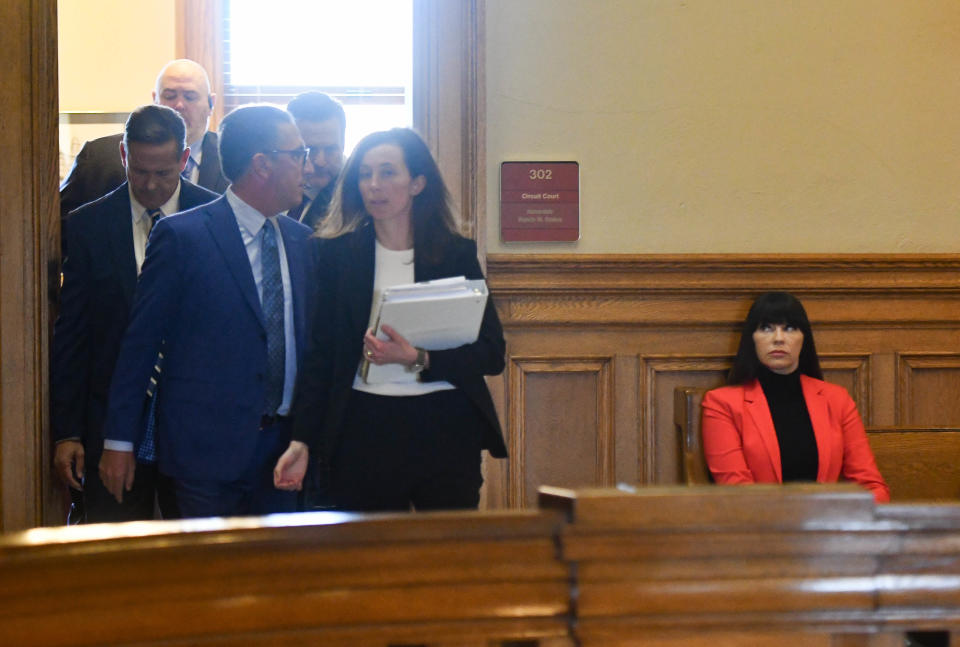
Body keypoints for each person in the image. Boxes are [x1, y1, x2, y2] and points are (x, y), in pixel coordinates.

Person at [273, 127, 507, 512]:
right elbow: (322, 356)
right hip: (364, 425)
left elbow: (491, 354)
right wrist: (302, 441)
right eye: (365, 174)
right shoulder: (337, 256)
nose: (374, 186)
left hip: (445, 425)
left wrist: (417, 357)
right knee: (372, 560)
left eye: (387, 172)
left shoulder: (454, 254)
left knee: (445, 557)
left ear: (417, 183)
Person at [99, 104, 316, 518]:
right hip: (205, 457)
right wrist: (119, 441)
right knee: (211, 580)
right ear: (262, 165)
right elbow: (140, 345)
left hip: (285, 455)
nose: (306, 166)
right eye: (298, 154)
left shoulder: (302, 242)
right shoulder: (183, 237)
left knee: (278, 579)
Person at [51, 104, 217, 523]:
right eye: (139, 170)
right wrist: (67, 431)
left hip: (194, 426)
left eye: (163, 173)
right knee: (117, 558)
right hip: (109, 426)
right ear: (124, 156)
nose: (149, 185)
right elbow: (73, 335)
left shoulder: (216, 218)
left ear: (184, 159)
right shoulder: (89, 225)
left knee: (199, 557)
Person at [701, 292, 890, 503]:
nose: (779, 338)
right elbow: (738, 493)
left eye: (790, 328)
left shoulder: (837, 400)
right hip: (762, 530)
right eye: (766, 328)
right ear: (751, 339)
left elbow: (872, 486)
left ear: (804, 339)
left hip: (828, 528)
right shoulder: (721, 404)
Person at [59, 59, 229, 238]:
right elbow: (60, 229)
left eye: (190, 96)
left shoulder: (233, 159)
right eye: (170, 96)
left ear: (211, 103)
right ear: (155, 100)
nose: (179, 105)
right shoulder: (98, 158)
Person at [285, 91, 346, 231]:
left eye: (330, 149)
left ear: (343, 144)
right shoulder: (268, 180)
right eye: (310, 150)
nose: (320, 162)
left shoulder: (361, 194)